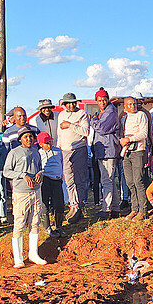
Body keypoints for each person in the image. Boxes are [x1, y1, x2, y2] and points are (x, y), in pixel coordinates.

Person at [3, 125, 47, 267]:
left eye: (30, 136)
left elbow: (40, 167)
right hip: (21, 193)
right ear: (20, 139)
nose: (29, 139)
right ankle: (18, 257)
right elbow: (6, 171)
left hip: (36, 191)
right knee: (20, 223)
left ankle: (33, 254)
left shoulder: (36, 152)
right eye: (25, 137)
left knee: (35, 222)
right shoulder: (14, 153)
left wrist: (40, 173)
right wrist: (23, 175)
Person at [89, 88, 121, 219]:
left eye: (104, 99)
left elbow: (102, 128)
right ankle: (115, 209)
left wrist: (93, 120)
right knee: (110, 180)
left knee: (106, 180)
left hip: (109, 150)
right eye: (99, 100)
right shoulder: (102, 113)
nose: (102, 102)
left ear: (108, 100)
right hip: (103, 150)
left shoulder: (111, 112)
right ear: (96, 101)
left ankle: (106, 209)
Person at [57, 92, 90, 222]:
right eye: (68, 103)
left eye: (73, 103)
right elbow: (60, 133)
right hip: (65, 150)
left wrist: (70, 125)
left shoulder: (82, 114)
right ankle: (73, 204)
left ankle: (79, 206)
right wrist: (59, 148)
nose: (71, 105)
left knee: (80, 179)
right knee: (68, 180)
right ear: (64, 104)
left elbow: (86, 131)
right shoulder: (61, 115)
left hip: (79, 148)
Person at [120, 94, 150, 220]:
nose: (133, 106)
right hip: (126, 152)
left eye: (134, 103)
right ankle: (134, 208)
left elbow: (144, 133)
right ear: (125, 106)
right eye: (130, 104)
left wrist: (129, 139)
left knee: (138, 180)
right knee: (130, 181)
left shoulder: (141, 115)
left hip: (138, 151)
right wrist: (122, 140)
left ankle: (143, 210)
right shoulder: (124, 118)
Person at [37, 132, 64, 237]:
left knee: (59, 204)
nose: (49, 144)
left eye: (50, 141)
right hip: (45, 179)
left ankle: (59, 226)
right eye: (46, 143)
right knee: (44, 204)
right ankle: (47, 228)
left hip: (56, 179)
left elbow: (61, 162)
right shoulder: (39, 153)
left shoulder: (58, 151)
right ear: (40, 144)